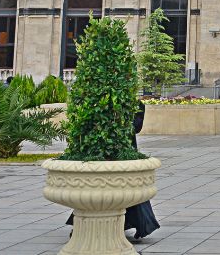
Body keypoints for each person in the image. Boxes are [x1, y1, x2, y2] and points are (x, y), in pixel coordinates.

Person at [67, 101, 159, 241]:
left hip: (122, 152)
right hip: (98, 152)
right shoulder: (93, 102)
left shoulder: (135, 105)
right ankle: (86, 225)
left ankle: (133, 225)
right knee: (96, 189)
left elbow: (135, 127)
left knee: (127, 190)